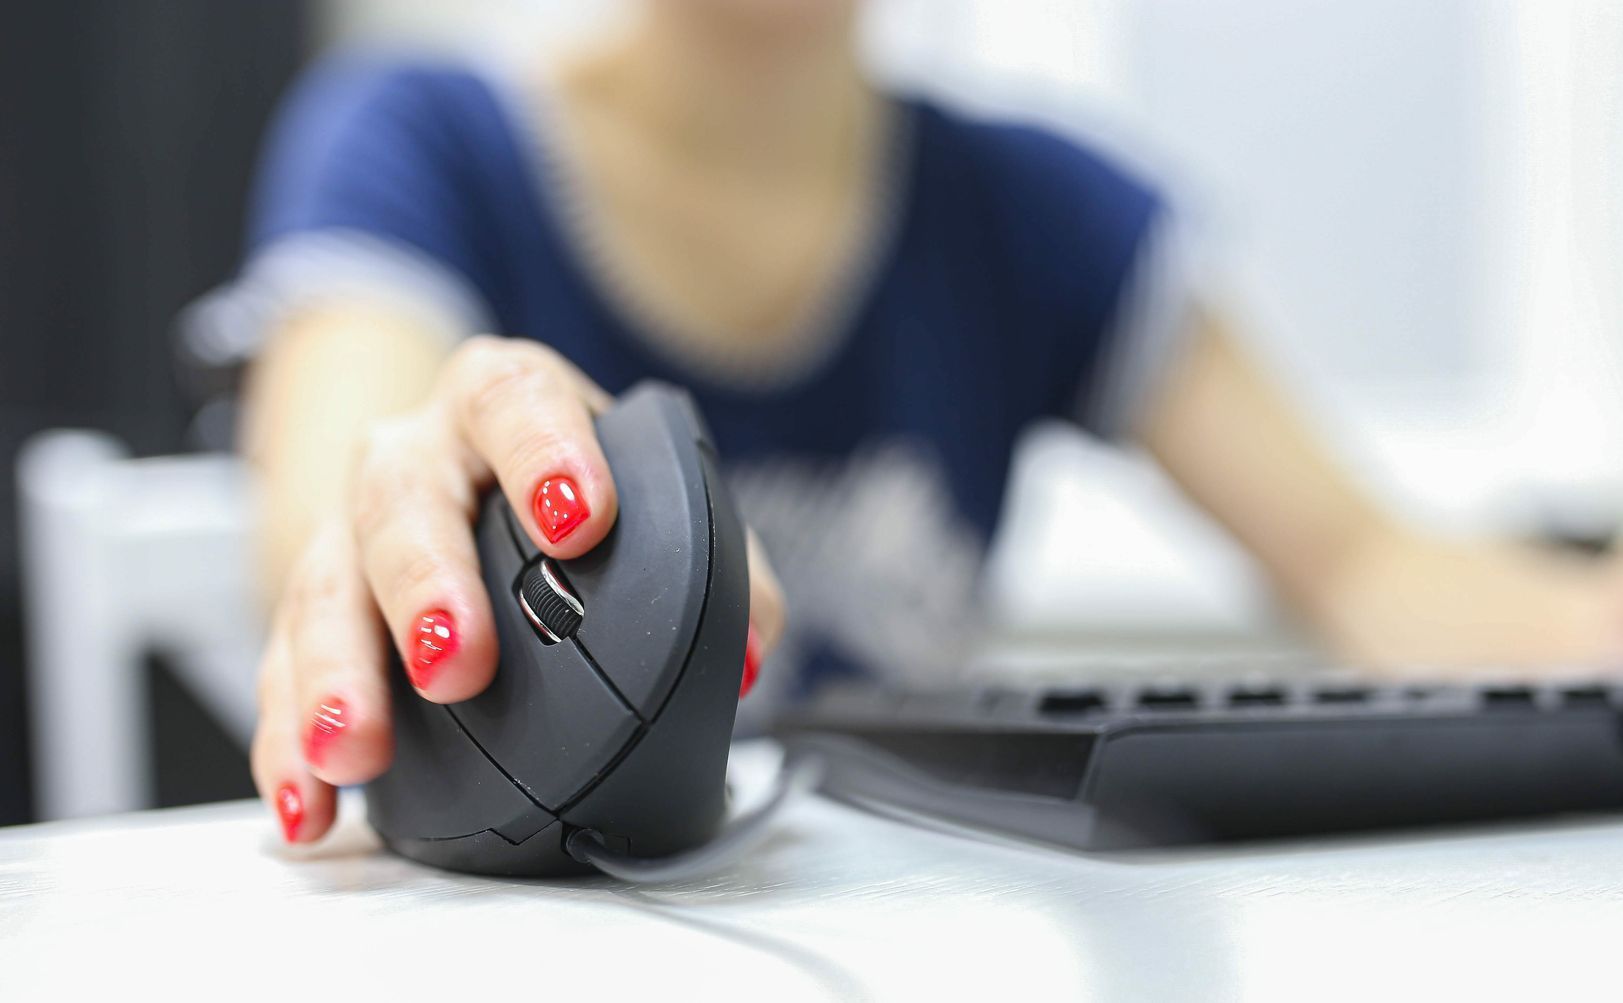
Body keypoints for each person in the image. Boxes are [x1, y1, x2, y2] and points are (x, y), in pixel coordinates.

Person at [233, 0, 1623, 845]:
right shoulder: (419, 143)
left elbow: (1369, 568)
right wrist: (415, 510)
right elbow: (331, 506)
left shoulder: (1040, 212)